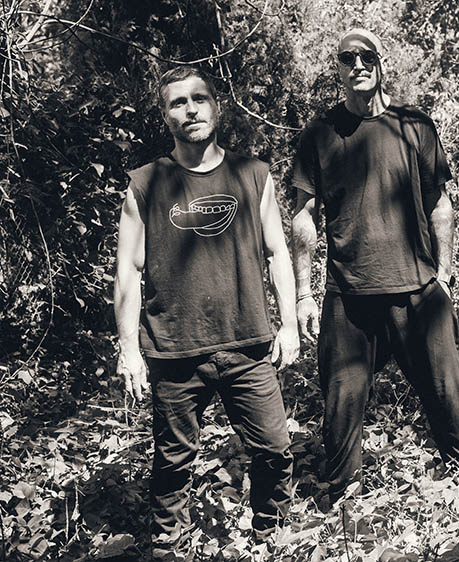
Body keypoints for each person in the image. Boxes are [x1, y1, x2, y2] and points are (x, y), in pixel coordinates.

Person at [113, 67, 299, 558]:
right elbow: (128, 270)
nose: (190, 109)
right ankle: (168, 544)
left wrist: (289, 324)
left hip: (247, 342)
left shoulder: (253, 175)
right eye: (178, 102)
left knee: (275, 449)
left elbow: (278, 252)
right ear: (165, 116)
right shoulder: (146, 183)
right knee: (173, 461)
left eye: (199, 98)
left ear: (216, 106)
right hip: (175, 347)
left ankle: (270, 534)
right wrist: (129, 349)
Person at [290, 28, 459, 499]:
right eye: (347, 58)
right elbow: (303, 216)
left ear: (380, 63)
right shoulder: (320, 134)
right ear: (337, 69)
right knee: (341, 402)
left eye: (366, 56)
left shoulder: (414, 125)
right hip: (348, 293)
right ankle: (342, 495)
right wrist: (303, 293)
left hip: (417, 288)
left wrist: (445, 274)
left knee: (448, 393)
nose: (357, 65)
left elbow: (439, 204)